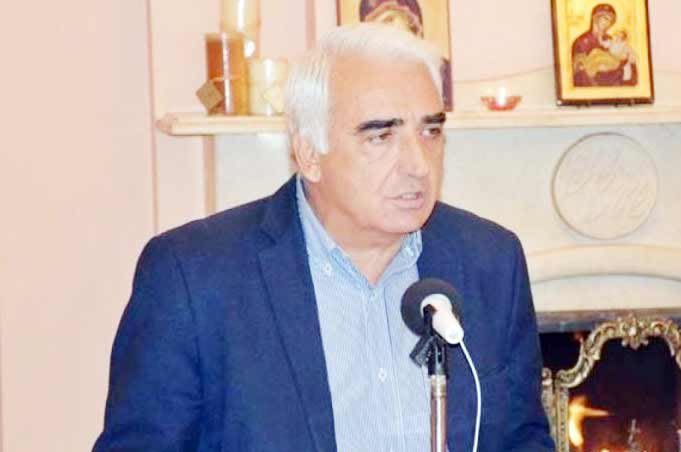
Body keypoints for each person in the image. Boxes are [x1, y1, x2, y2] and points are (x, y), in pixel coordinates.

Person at [93, 23, 554, 452]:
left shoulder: (490, 261)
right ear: (309, 154)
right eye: (381, 136)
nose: (418, 163)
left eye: (430, 131)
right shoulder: (195, 277)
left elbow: (522, 439)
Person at [571, 3, 638, 87]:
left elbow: (623, 60)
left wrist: (625, 61)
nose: (608, 23)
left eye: (611, 21)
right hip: (592, 86)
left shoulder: (612, 40)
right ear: (595, 18)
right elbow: (578, 72)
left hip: (614, 85)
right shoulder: (581, 41)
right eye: (605, 18)